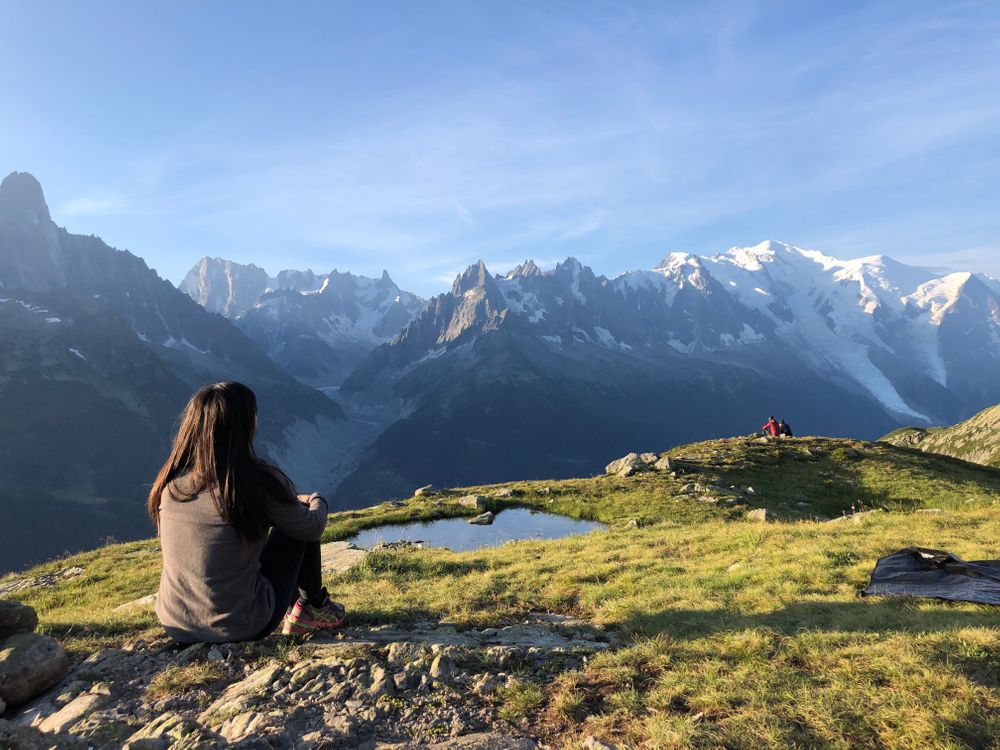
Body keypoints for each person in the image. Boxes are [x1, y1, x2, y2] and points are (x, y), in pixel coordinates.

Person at [147, 382, 345, 644]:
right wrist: (316, 499)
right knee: (300, 520)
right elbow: (311, 527)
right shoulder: (254, 483)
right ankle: (314, 608)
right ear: (245, 425)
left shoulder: (170, 483)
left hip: (177, 623)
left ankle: (308, 608)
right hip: (239, 624)